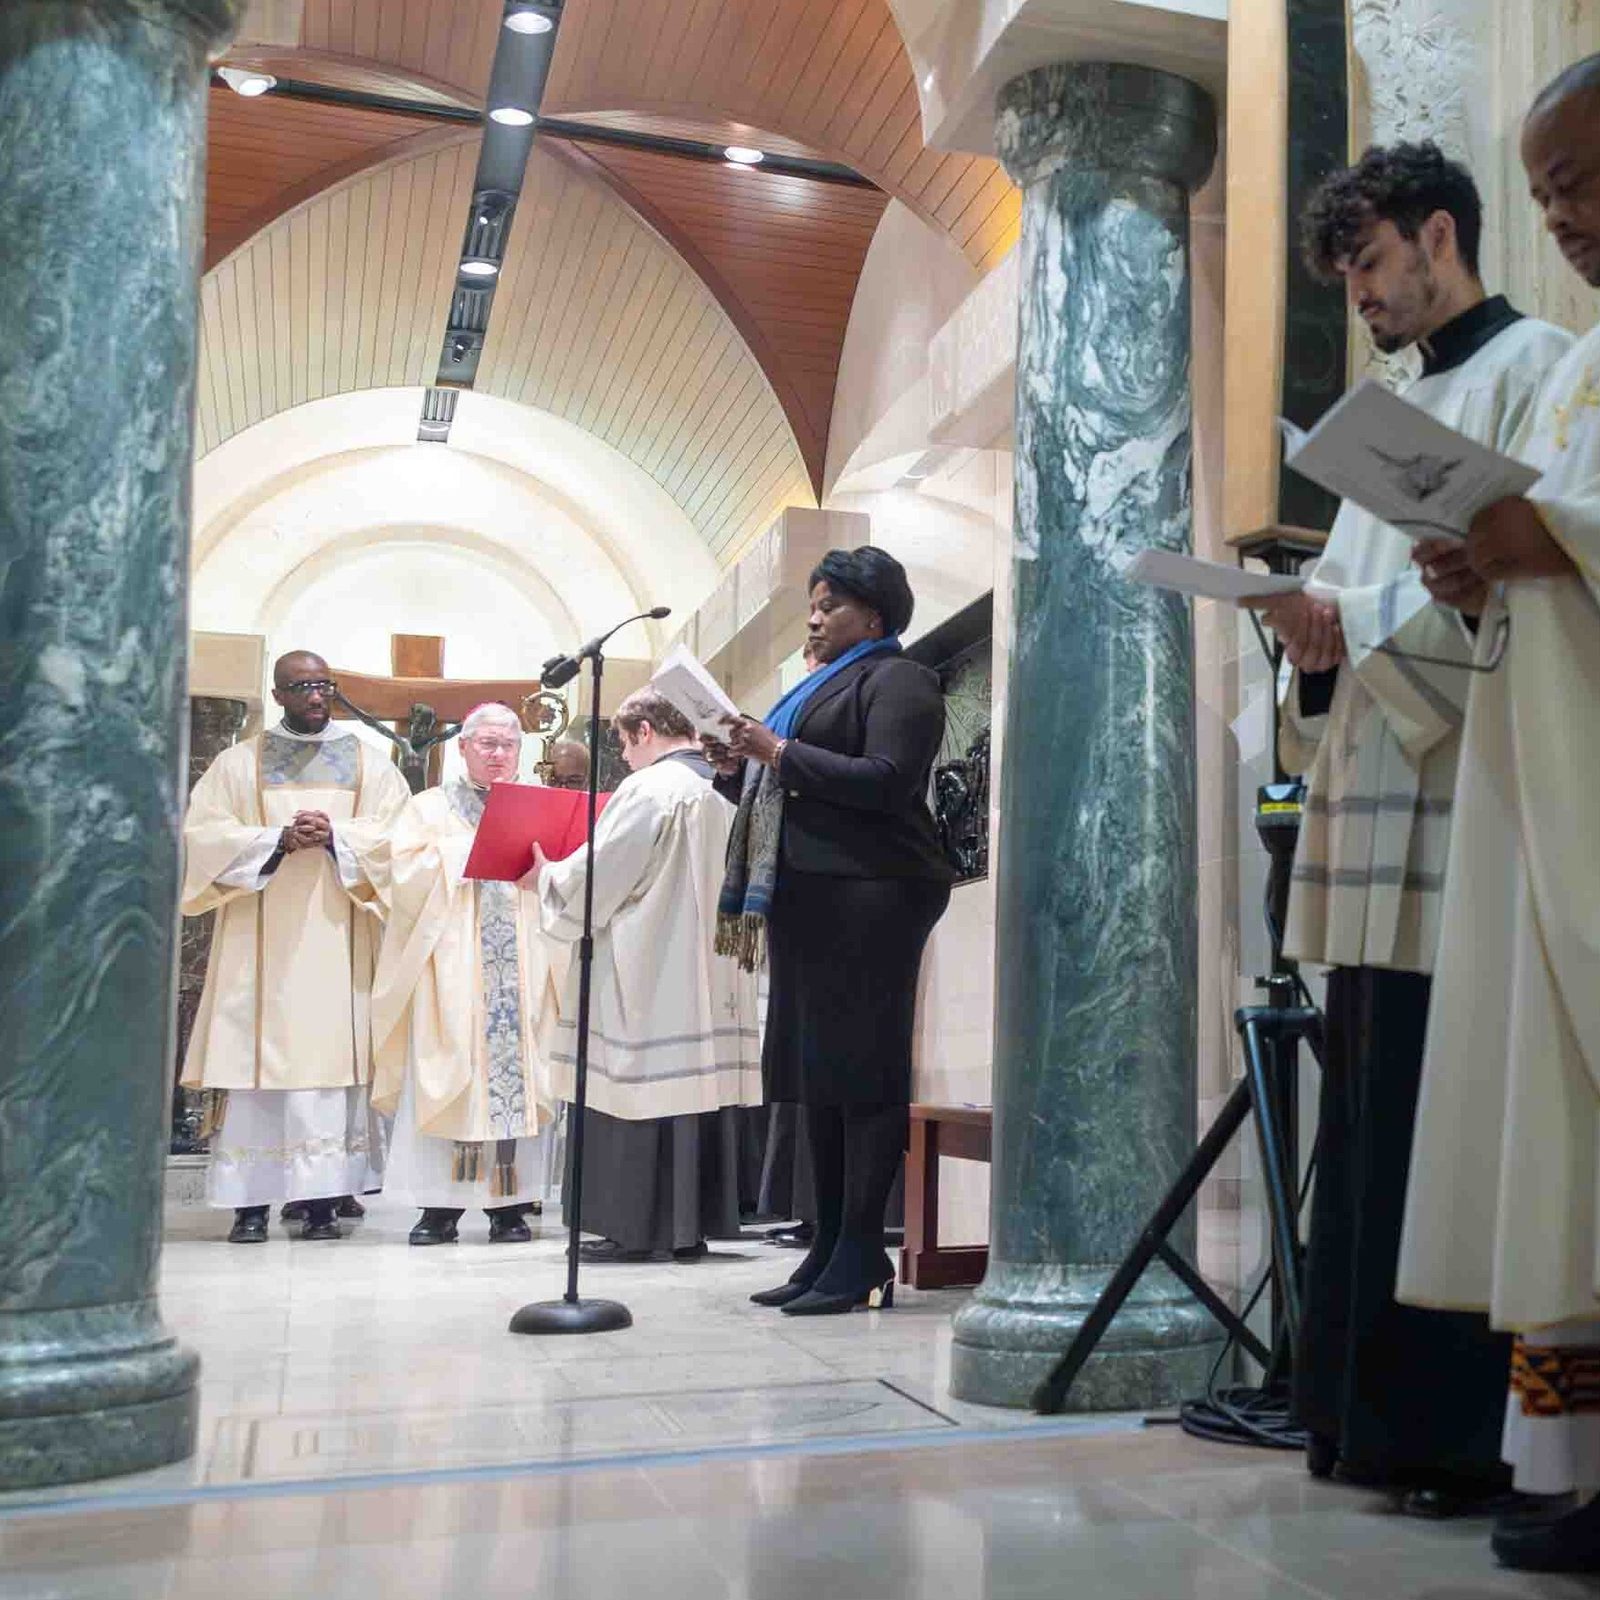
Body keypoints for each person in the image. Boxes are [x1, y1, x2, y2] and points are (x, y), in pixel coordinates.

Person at [1252, 144, 1573, 1512]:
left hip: (1469, 801)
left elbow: (1518, 596)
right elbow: (1359, 593)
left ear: (1442, 235)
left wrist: (1363, 620)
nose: (1366, 301)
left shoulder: (1542, 367)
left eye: (1375, 267)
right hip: (1376, 792)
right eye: (1348, 281)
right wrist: (1308, 640)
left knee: (1450, 1113)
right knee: (1372, 1110)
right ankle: (1353, 1417)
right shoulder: (1381, 415)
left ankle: (1450, 1432)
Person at [1400, 55, 1600, 1572]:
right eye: (1547, 194)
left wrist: (1547, 534)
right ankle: (1574, 1452)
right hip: (1552, 787)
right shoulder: (1591, 362)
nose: (1566, 216)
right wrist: (1492, 561)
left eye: (1581, 178)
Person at [709, 546, 953, 1316]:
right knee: (816, 1077)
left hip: (874, 890)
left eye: (831, 605)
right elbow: (790, 786)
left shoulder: (900, 679)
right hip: (809, 894)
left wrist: (776, 750)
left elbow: (888, 781)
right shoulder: (813, 688)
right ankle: (826, 1245)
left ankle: (861, 1253)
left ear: (873, 616)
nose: (813, 618)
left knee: (864, 1072)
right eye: (812, 604)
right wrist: (735, 765)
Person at [181, 651, 410, 1242]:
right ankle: (250, 1205)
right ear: (278, 693)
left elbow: (401, 838)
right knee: (257, 1073)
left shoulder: (371, 765)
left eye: (324, 685)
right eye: (302, 686)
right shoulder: (237, 764)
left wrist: (340, 838)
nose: (316, 695)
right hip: (260, 951)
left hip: (339, 941)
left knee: (329, 1074)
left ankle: (319, 1202)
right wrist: (274, 841)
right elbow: (202, 836)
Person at [532, 689, 761, 1262]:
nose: (625, 757)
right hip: (711, 971)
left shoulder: (652, 788)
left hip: (651, 966)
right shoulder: (723, 786)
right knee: (695, 1087)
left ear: (643, 732)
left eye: (623, 743)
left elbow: (603, 877)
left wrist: (545, 877)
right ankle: (690, 1226)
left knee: (636, 1083)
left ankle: (638, 1228)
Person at [369, 703, 559, 1245]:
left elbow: (563, 872)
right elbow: (399, 873)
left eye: (507, 745)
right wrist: (466, 850)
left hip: (524, 960)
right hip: (451, 964)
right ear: (463, 748)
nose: (498, 754)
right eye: (487, 744)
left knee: (523, 1074)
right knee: (447, 1070)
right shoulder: (428, 808)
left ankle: (511, 1206)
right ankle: (439, 1209)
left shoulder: (539, 806)